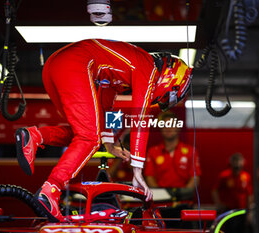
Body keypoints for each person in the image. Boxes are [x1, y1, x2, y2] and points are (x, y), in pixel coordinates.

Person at [14, 39, 192, 222]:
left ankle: (35, 136)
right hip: (75, 62)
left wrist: (109, 144)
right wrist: (137, 170)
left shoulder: (124, 71)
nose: (164, 101)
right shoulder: (148, 68)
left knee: (83, 132)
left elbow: (106, 105)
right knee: (88, 138)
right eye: (171, 95)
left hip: (54, 66)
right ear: (172, 79)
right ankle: (50, 191)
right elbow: (140, 117)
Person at [144, 111, 201, 189]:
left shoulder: (191, 151)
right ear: (160, 128)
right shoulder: (152, 151)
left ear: (178, 127)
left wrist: (183, 194)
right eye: (165, 125)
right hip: (160, 199)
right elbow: (149, 177)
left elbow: (195, 177)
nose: (168, 128)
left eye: (172, 124)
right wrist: (162, 195)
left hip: (184, 199)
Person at [212, 153, 253, 232]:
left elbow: (249, 194)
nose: (237, 164)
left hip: (242, 210)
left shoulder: (246, 176)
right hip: (228, 210)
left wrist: (249, 211)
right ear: (231, 163)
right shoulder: (224, 176)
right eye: (235, 162)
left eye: (239, 162)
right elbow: (214, 190)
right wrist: (218, 203)